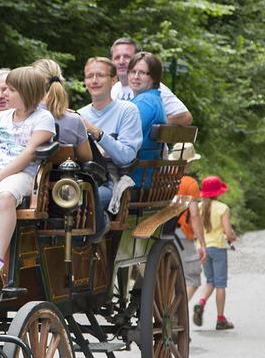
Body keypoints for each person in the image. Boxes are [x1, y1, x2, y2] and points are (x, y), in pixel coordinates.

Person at [0, 67, 55, 274]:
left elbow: (29, 154)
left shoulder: (43, 119)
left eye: (10, 89)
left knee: (5, 198)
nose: (4, 94)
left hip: (23, 174)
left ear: (26, 92)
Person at [78, 57, 143, 237]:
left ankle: (96, 232)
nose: (94, 80)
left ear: (113, 80)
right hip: (84, 176)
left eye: (100, 75)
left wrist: (97, 133)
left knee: (86, 199)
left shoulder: (127, 110)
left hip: (113, 179)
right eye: (89, 76)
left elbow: (127, 156)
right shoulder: (80, 114)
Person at [109, 37, 192, 126]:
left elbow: (186, 117)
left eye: (127, 57)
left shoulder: (152, 88)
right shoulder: (114, 88)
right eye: (117, 57)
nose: (121, 61)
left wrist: (152, 127)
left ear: (137, 59)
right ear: (111, 61)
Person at [192, 175, 238, 330]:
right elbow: (228, 232)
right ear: (218, 192)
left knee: (210, 280)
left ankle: (201, 302)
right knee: (220, 284)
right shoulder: (223, 208)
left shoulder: (198, 207)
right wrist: (232, 237)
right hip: (218, 247)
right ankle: (220, 319)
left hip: (202, 248)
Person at [32, 58, 92, 162]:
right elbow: (86, 158)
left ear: (32, 85)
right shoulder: (75, 119)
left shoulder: (24, 115)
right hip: (64, 176)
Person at [169, 144, 208, 300]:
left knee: (169, 275)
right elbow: (194, 215)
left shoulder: (161, 178)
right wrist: (202, 243)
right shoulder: (189, 183)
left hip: (160, 231)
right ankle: (176, 313)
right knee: (193, 277)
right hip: (181, 234)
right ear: (188, 162)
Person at [126, 51, 168, 188]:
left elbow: (122, 139)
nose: (136, 77)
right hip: (145, 177)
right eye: (132, 72)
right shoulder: (154, 99)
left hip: (132, 179)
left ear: (154, 77)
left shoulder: (145, 103)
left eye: (143, 73)